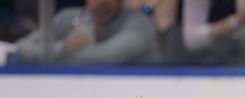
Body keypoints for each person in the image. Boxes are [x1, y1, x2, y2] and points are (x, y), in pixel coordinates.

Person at [15, 0, 158, 64]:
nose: (103, 2)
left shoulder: (139, 23)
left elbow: (107, 57)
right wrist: (62, 48)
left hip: (134, 93)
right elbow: (21, 48)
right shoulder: (68, 18)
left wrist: (63, 56)